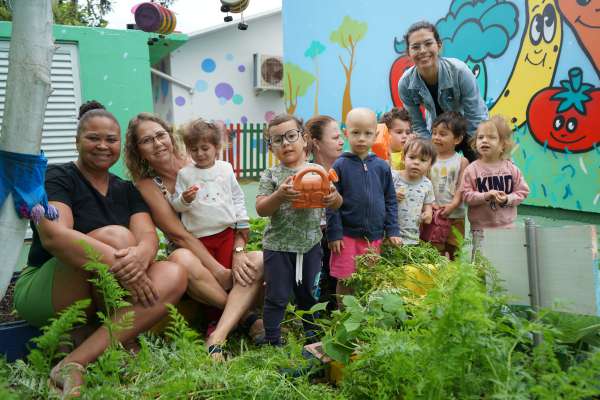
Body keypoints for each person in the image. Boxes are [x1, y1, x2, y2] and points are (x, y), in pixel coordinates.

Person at [13, 101, 188, 397]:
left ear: (121, 144)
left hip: (109, 291)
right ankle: (121, 342)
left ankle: (73, 362)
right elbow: (56, 237)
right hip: (51, 288)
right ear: (77, 140)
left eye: (111, 139)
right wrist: (131, 271)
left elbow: (147, 237)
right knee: (117, 237)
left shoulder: (127, 189)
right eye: (93, 138)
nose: (103, 146)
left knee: (174, 272)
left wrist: (140, 259)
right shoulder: (57, 177)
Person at [124, 113, 264, 359]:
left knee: (259, 259)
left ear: (170, 136)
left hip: (225, 242)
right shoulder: (147, 185)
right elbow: (179, 235)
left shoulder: (198, 159)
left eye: (160, 135)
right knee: (182, 260)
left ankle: (220, 329)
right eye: (147, 141)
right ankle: (246, 317)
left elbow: (235, 204)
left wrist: (239, 251)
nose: (157, 143)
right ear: (138, 150)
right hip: (190, 253)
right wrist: (218, 271)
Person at [255, 114, 342, 346]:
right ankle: (272, 338)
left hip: (310, 245)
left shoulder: (318, 170)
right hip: (278, 247)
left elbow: (337, 203)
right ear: (271, 148)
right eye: (277, 140)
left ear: (304, 139)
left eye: (291, 136)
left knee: (309, 294)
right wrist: (280, 195)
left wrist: (333, 197)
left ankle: (312, 337)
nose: (285, 143)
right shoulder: (271, 175)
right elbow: (261, 209)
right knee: (277, 296)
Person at [327, 108, 402, 303]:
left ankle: (365, 320)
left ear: (375, 134)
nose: (361, 138)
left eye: (367, 133)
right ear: (346, 132)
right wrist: (334, 233)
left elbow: (390, 200)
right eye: (355, 132)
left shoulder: (382, 166)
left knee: (369, 279)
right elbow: (331, 202)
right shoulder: (339, 166)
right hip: (346, 237)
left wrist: (392, 229)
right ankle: (342, 318)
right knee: (345, 280)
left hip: (374, 238)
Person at [398, 20, 488, 161]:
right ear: (408, 53)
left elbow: (476, 117)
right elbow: (418, 125)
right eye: (415, 47)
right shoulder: (405, 84)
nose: (422, 51)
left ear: (439, 45)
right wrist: (431, 153)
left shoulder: (459, 72)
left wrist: (480, 155)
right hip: (435, 135)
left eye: (428, 44)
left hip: (467, 129)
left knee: (483, 167)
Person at [462, 115, 530, 257]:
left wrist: (507, 199)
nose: (484, 140)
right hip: (480, 230)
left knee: (507, 264)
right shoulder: (471, 170)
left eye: (491, 137)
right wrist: (485, 196)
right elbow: (466, 196)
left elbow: (523, 191)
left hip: (507, 227)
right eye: (480, 137)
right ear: (475, 143)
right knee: (482, 267)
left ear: (503, 145)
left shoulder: (511, 169)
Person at [305, 115, 344, 310]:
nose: (342, 141)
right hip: (315, 238)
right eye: (335, 138)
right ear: (317, 143)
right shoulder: (308, 173)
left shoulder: (344, 169)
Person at [429, 112, 469, 259]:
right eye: (434, 133)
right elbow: (426, 183)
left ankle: (453, 280)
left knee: (455, 252)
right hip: (434, 215)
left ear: (457, 139)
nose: (436, 137)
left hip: (455, 215)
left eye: (442, 134)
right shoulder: (428, 158)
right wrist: (431, 203)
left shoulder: (462, 161)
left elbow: (461, 186)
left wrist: (454, 204)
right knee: (434, 253)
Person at [393, 138, 436, 245]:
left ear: (430, 164)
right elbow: (380, 197)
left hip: (412, 237)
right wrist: (392, 196)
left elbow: (428, 207)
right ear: (403, 158)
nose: (416, 162)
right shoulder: (393, 177)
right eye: (412, 157)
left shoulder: (427, 184)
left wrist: (428, 215)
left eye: (423, 160)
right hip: (390, 235)